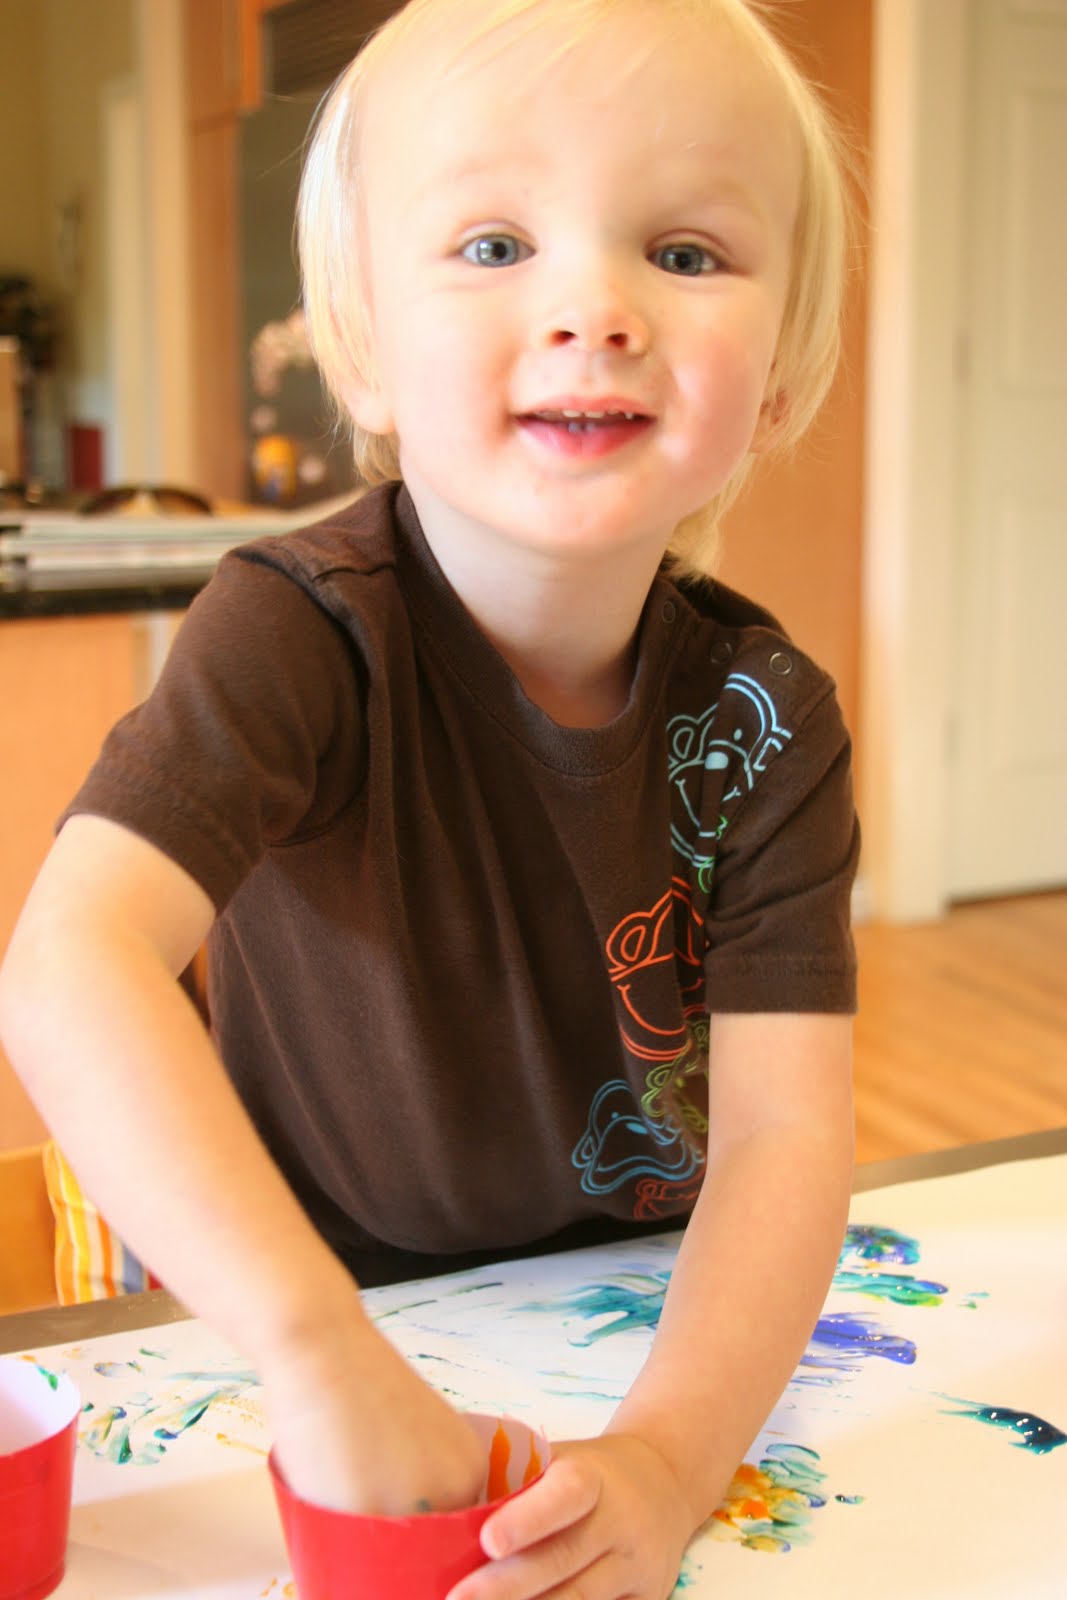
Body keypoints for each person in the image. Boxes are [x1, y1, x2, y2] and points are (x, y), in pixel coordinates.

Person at [0, 1, 860, 1596]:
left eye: (683, 252)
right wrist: (315, 1348)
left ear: (783, 376)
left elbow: (783, 1138)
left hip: (603, 1313)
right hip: (298, 1302)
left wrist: (673, 1457)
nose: (595, 309)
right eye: (492, 244)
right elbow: (68, 967)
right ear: (361, 350)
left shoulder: (771, 718)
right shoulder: (295, 630)